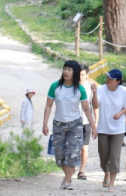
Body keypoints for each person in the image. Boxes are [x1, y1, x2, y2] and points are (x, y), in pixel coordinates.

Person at [43, 59, 97, 191]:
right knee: (60, 157)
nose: (66, 72)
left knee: (72, 156)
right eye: (65, 69)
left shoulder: (80, 89)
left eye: (70, 70)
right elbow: (49, 105)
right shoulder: (55, 86)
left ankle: (67, 181)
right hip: (58, 124)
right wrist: (45, 123)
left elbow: (86, 109)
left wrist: (93, 126)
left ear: (75, 72)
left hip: (75, 125)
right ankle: (67, 176)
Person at [91, 68, 126, 194]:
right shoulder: (101, 89)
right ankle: (106, 173)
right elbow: (96, 106)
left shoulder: (124, 91)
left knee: (115, 156)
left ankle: (112, 182)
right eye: (107, 77)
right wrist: (94, 93)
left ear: (118, 81)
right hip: (103, 127)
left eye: (111, 78)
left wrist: (120, 114)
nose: (107, 80)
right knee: (103, 156)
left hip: (118, 129)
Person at [78, 63, 97, 180]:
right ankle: (72, 167)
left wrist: (96, 122)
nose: (80, 77)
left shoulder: (91, 87)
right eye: (79, 75)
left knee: (84, 147)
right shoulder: (72, 86)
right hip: (73, 121)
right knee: (73, 147)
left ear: (87, 75)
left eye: (83, 75)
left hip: (86, 121)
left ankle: (81, 170)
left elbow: (95, 106)